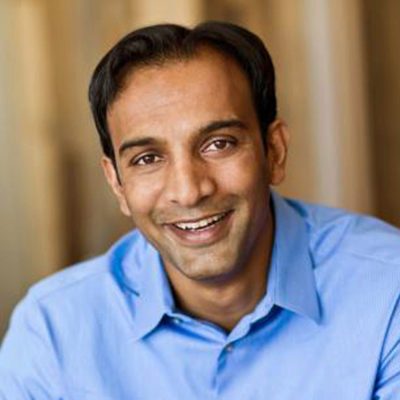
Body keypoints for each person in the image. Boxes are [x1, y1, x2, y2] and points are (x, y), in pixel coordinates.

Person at [1, 21, 400, 400]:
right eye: (147, 158)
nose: (189, 191)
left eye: (219, 144)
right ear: (116, 183)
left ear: (274, 151)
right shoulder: (52, 331)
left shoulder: (386, 289)